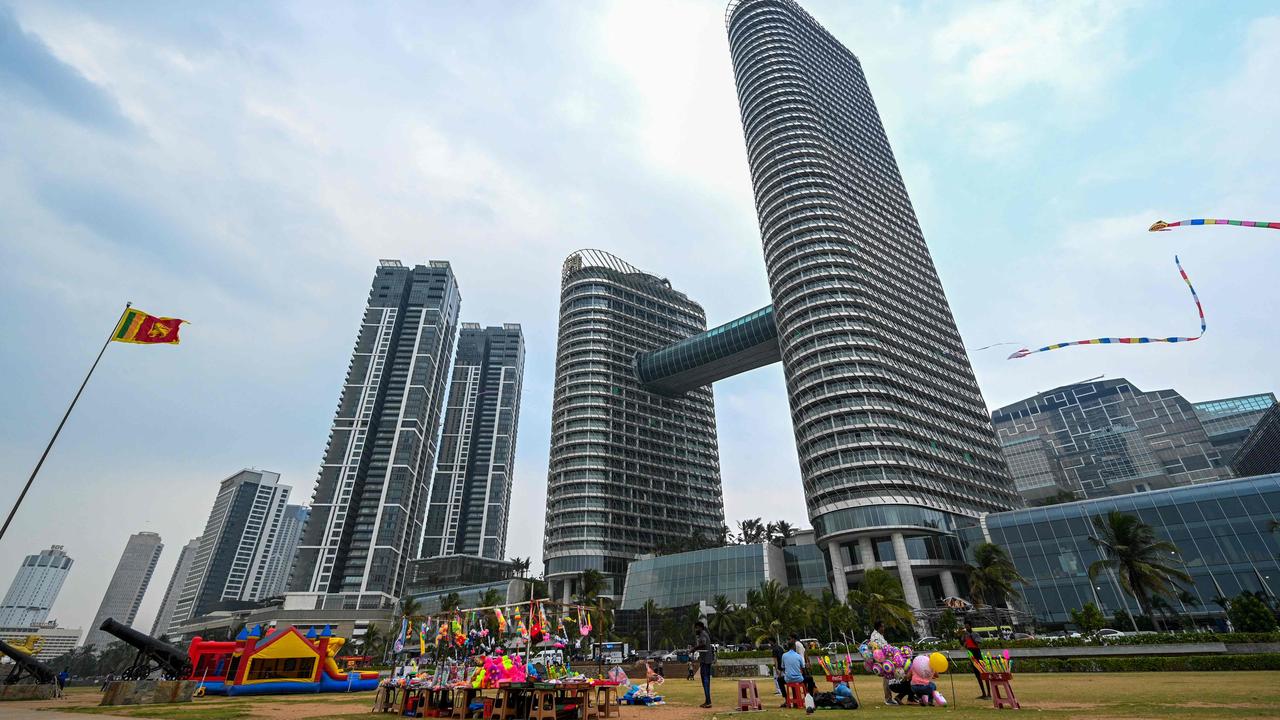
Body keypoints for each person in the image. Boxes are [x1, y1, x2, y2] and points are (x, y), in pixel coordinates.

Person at [868, 621, 896, 706]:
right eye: (882, 627)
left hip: (886, 659)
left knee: (889, 678)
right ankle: (888, 699)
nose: (883, 628)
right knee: (887, 678)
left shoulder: (880, 635)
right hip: (882, 660)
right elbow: (878, 648)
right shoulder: (875, 636)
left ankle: (890, 698)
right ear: (878, 627)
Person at [961, 620, 991, 699]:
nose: (966, 628)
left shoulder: (975, 634)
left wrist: (971, 637)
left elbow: (979, 642)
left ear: (970, 626)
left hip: (977, 654)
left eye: (967, 626)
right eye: (965, 626)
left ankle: (989, 694)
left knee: (984, 674)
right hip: (972, 655)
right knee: (978, 675)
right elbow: (963, 643)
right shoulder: (965, 635)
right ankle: (984, 693)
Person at [691, 621, 715, 708]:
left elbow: (703, 644)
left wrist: (694, 648)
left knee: (705, 681)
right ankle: (707, 701)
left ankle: (708, 701)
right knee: (705, 681)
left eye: (697, 628)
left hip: (705, 661)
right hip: (706, 660)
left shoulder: (703, 634)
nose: (695, 630)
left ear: (700, 627)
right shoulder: (703, 634)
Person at [780, 641, 805, 708]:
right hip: (799, 679)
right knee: (809, 679)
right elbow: (802, 667)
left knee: (779, 680)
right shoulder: (798, 656)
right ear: (794, 647)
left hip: (788, 679)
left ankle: (786, 698)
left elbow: (782, 667)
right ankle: (808, 697)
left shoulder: (784, 655)